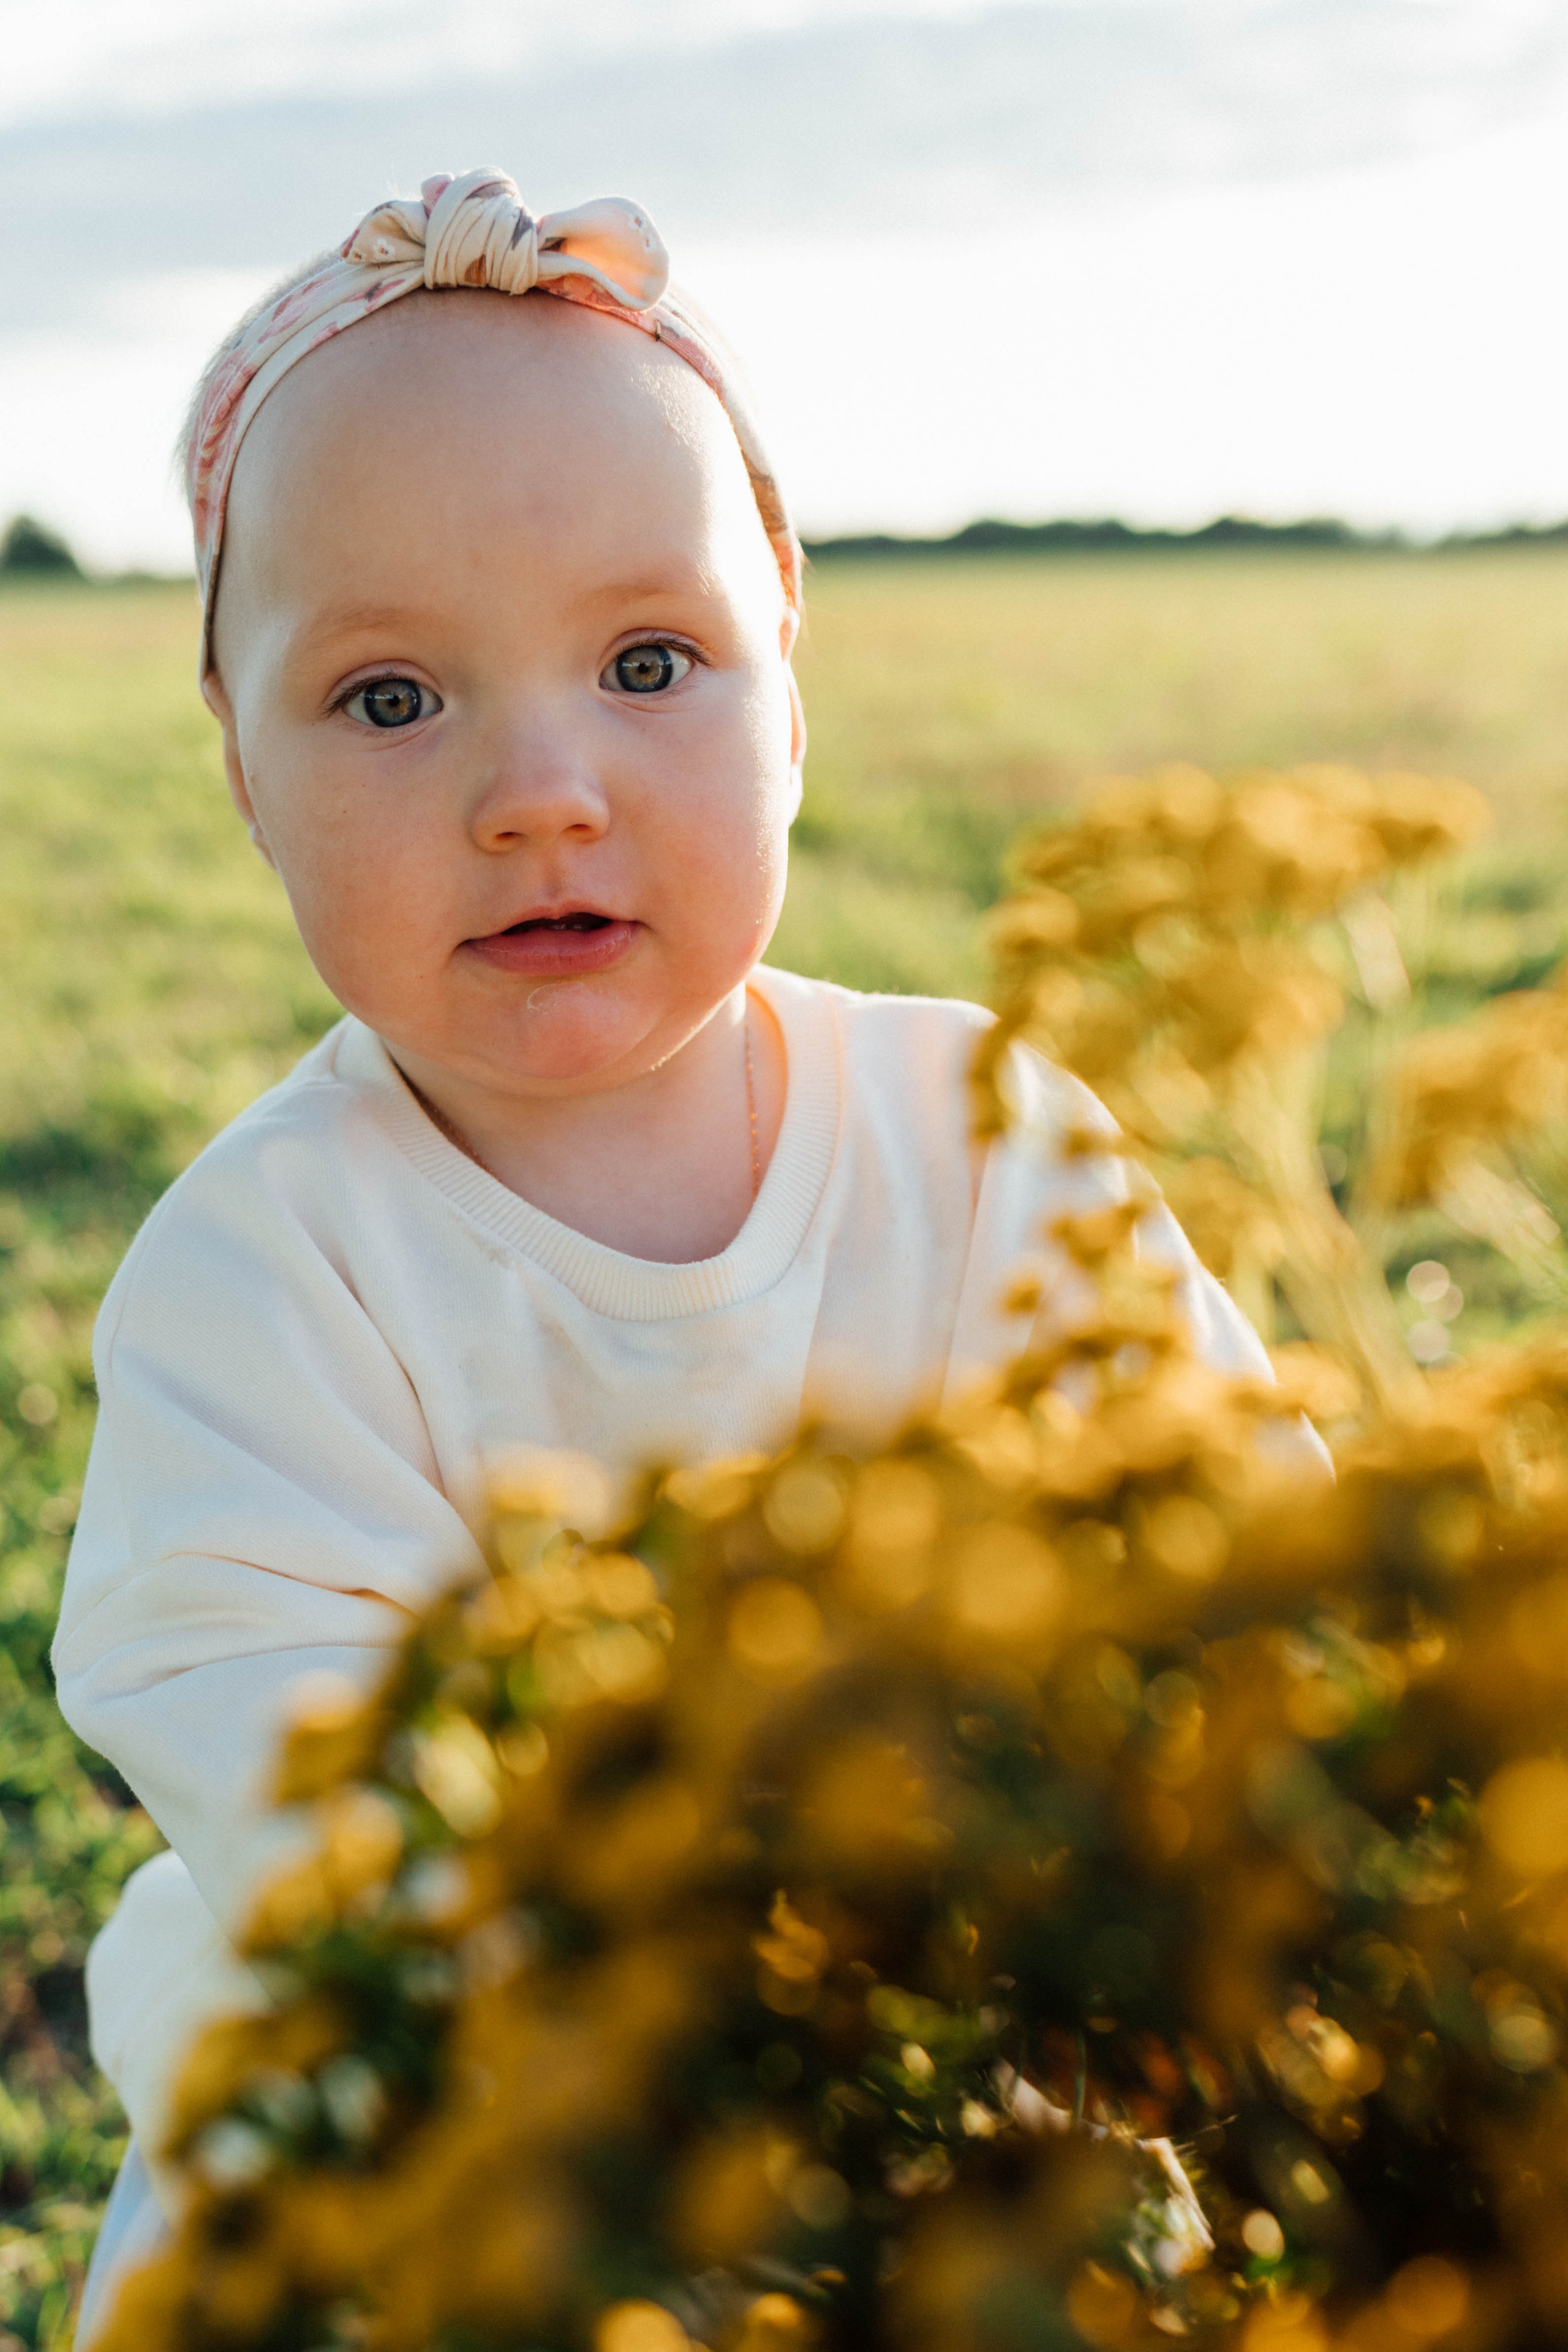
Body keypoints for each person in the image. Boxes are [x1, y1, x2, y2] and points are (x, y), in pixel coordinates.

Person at [54, 167, 1288, 2339]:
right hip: (459, 2144)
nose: (541, 788)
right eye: (389, 701)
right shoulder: (268, 1265)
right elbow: (269, 1728)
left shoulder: (973, 1136)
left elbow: (1235, 1535)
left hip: (973, 2075)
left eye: (649, 663)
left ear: (788, 684)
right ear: (244, 773)